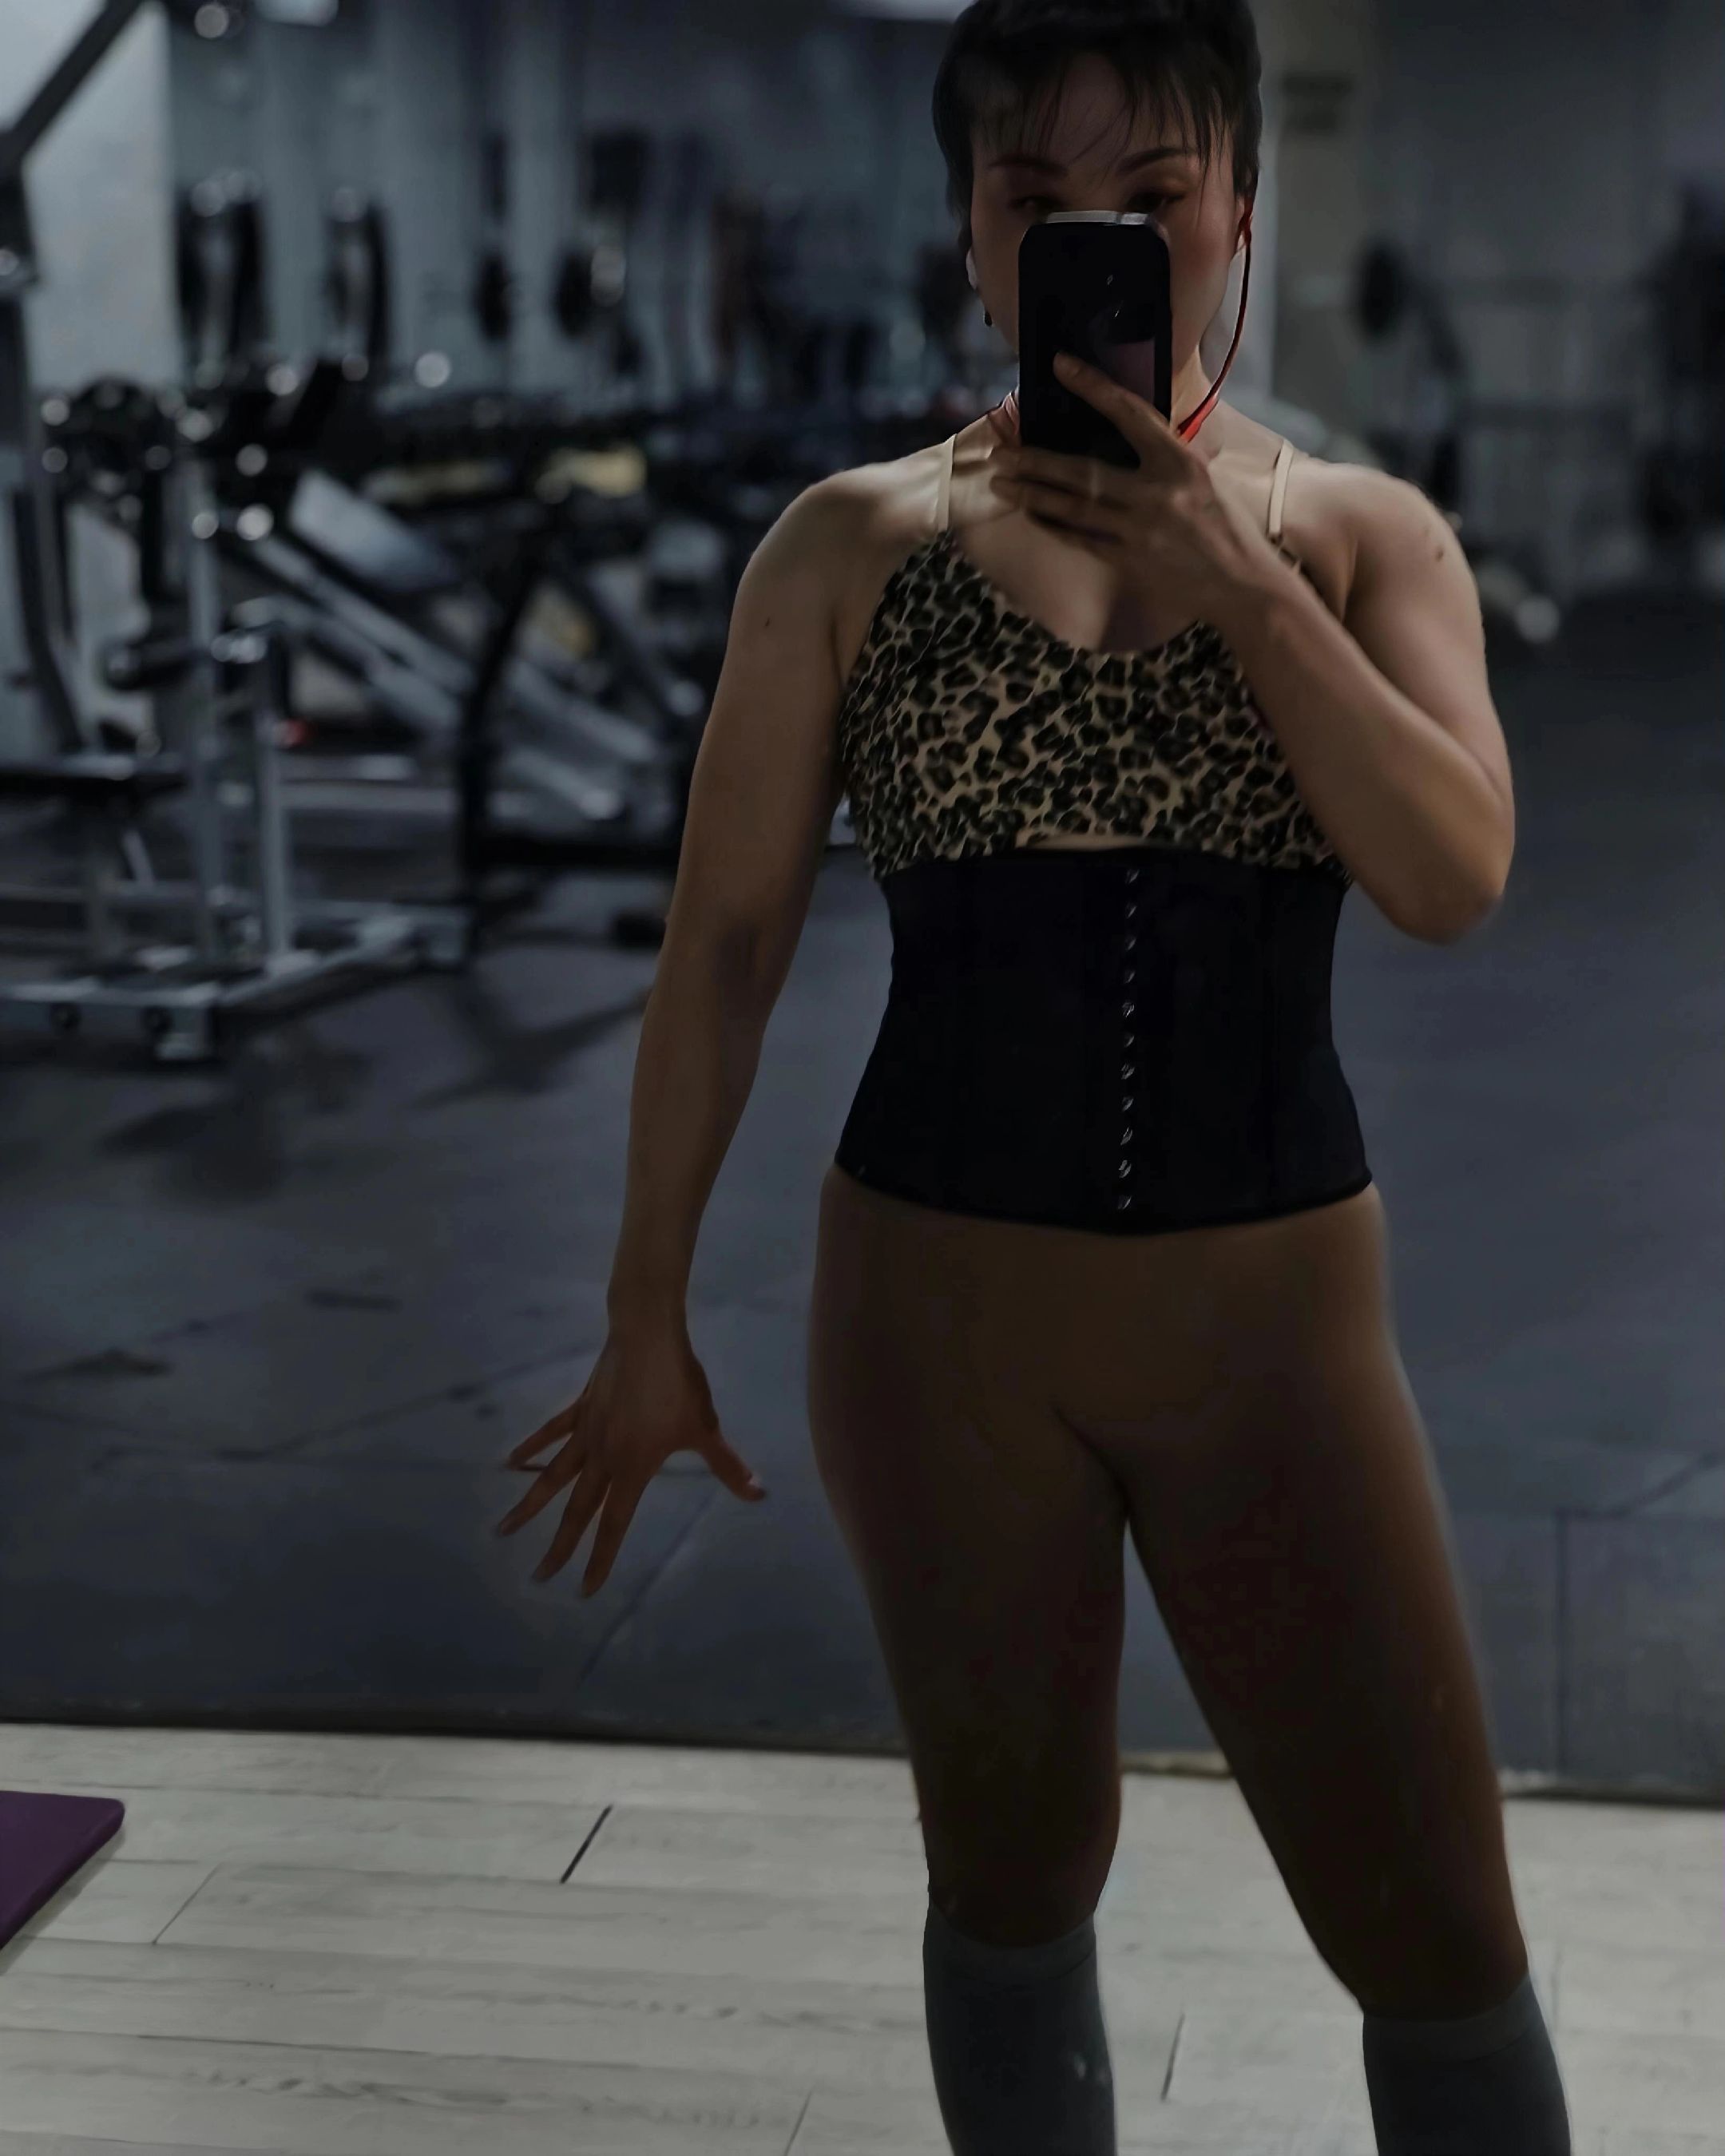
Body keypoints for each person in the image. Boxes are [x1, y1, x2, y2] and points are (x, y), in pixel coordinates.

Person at [497, 4, 1572, 2150]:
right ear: (973, 234)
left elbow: (1453, 874)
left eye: (1156, 196)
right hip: (935, 1326)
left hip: (1275, 1335)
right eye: (1038, 199)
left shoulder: (1360, 536)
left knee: (1436, 1920)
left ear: (1241, 206)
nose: (1105, 238)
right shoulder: (848, 548)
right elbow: (723, 948)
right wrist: (642, 1313)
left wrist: (1240, 587)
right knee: (1010, 1874)